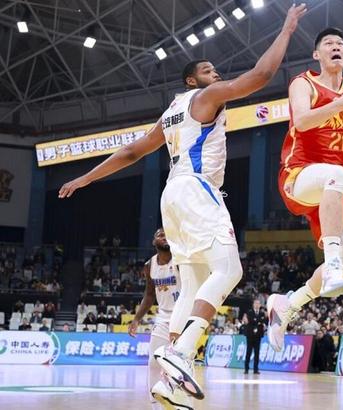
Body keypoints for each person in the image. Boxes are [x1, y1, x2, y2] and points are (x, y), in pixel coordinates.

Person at [59, 4, 307, 401]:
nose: (216, 74)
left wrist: (85, 178)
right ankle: (181, 353)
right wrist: (287, 29)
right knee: (229, 270)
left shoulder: (170, 112)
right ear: (192, 80)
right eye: (208, 70)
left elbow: (131, 152)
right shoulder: (205, 96)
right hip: (196, 189)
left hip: (171, 196)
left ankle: (169, 382)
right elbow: (261, 75)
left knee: (190, 286)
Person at [266, 27, 343, 352]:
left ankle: (288, 305)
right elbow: (301, 121)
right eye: (329, 44)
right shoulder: (304, 83)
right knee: (336, 174)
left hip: (335, 188)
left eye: (340, 44)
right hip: (299, 175)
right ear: (317, 55)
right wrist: (341, 103)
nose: (336, 47)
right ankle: (332, 263)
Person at [127, 229, 190, 410]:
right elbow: (149, 295)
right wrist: (136, 319)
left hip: (182, 317)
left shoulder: (180, 261)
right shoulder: (150, 266)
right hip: (163, 318)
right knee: (154, 362)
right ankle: (155, 405)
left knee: (180, 365)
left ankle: (182, 403)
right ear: (153, 241)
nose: (164, 237)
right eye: (160, 235)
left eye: (167, 234)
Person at [243, 300, 267, 375]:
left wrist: (259, 322)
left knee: (257, 353)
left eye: (258, 303)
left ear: (260, 305)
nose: (257, 305)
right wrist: (258, 322)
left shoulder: (262, 313)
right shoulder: (249, 312)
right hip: (250, 335)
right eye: (256, 303)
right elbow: (251, 321)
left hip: (258, 335)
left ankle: (255, 369)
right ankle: (246, 369)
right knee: (248, 352)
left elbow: (263, 321)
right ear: (253, 304)